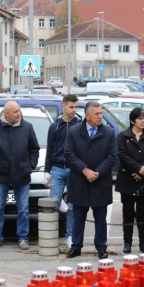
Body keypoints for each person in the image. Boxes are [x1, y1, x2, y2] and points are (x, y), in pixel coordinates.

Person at [0, 101, 40, 250]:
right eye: (15, 112)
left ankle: (23, 238)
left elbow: (34, 149)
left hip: (22, 175)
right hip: (1, 175)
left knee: (23, 209)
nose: (18, 114)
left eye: (19, 110)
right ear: (6, 114)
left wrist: (30, 166)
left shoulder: (27, 127)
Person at [64, 101, 117, 259]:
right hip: (80, 181)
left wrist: (97, 172)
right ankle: (76, 247)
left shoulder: (109, 132)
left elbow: (112, 157)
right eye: (97, 114)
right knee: (78, 216)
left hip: (100, 182)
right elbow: (69, 154)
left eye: (101, 113)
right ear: (87, 116)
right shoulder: (74, 131)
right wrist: (85, 170)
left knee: (100, 219)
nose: (100, 116)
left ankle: (101, 247)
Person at [44, 94, 82, 248]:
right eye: (71, 107)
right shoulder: (55, 126)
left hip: (74, 169)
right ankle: (50, 235)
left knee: (73, 206)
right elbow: (50, 149)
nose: (74, 110)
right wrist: (47, 172)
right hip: (58, 169)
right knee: (54, 204)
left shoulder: (79, 125)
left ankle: (70, 236)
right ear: (63, 106)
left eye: (76, 107)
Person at [115, 107, 144, 254]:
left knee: (143, 213)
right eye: (140, 119)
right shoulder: (123, 135)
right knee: (128, 213)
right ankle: (127, 243)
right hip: (127, 179)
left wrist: (143, 171)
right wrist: (137, 169)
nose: (143, 121)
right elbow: (122, 155)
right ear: (133, 120)